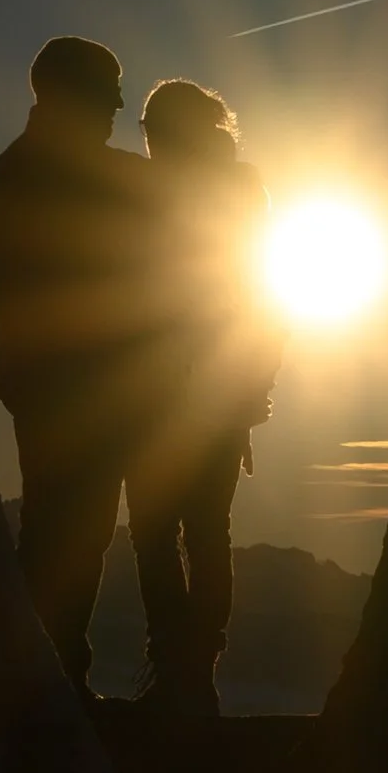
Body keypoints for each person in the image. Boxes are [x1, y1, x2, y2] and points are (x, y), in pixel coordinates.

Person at [0, 35, 150, 697]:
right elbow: (15, 294)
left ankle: (50, 676)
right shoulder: (22, 175)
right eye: (106, 92)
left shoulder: (44, 172)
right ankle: (39, 680)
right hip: (62, 387)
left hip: (80, 385)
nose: (116, 106)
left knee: (80, 532)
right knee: (61, 532)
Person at [126, 79, 283, 717]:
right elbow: (266, 299)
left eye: (150, 128)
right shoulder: (244, 192)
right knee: (200, 532)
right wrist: (255, 387)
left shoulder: (149, 192)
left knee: (160, 533)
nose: (145, 139)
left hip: (163, 396)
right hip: (211, 394)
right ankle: (193, 668)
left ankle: (179, 669)